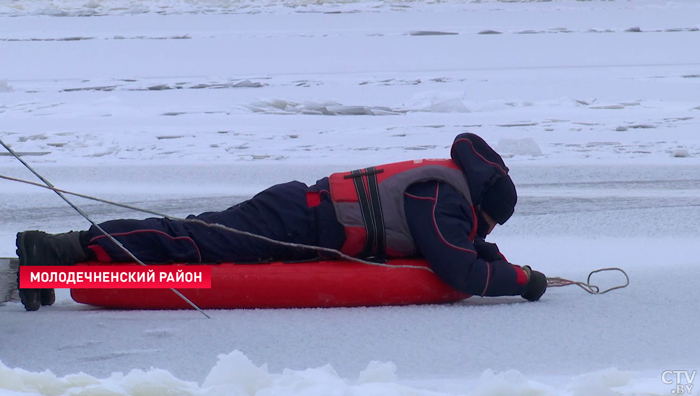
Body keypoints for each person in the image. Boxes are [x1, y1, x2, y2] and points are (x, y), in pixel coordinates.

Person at [15, 133, 547, 311]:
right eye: (490, 228)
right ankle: (60, 250)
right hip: (297, 219)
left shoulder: (448, 196)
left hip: (305, 227)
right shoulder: (441, 195)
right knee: (194, 242)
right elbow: (456, 264)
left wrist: (498, 260)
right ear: (482, 209)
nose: (485, 236)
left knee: (195, 240)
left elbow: (463, 247)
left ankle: (45, 274)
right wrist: (520, 282)